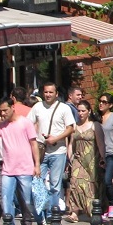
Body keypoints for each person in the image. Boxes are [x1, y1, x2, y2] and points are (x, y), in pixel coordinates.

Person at [0, 96, 41, 225]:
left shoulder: (25, 123)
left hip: (24, 168)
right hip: (8, 170)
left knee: (28, 201)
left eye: (5, 110)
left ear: (12, 108)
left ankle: (41, 220)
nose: (3, 113)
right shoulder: (2, 126)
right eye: (0, 111)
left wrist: (37, 165)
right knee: (6, 201)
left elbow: (34, 144)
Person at [27, 82, 76, 215]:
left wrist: (56, 138)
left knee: (55, 184)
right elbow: (28, 124)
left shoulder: (64, 108)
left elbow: (71, 128)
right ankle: (41, 212)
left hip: (58, 151)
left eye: (51, 92)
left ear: (56, 94)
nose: (48, 95)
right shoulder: (37, 107)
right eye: (46, 92)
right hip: (41, 150)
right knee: (38, 182)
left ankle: (52, 212)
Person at [66, 100, 104, 223]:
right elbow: (71, 143)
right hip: (78, 159)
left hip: (92, 159)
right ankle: (74, 212)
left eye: (83, 111)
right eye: (79, 111)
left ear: (89, 112)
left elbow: (100, 143)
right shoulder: (75, 126)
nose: (80, 113)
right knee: (75, 183)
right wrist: (70, 157)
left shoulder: (95, 125)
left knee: (91, 185)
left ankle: (92, 210)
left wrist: (103, 158)